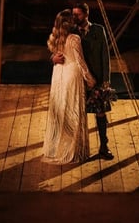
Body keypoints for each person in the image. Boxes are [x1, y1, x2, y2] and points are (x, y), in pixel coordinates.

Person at [54, 2, 115, 160]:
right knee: (75, 114)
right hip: (77, 80)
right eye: (73, 14)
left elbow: (105, 56)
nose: (74, 17)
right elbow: (57, 47)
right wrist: (53, 58)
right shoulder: (71, 32)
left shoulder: (98, 30)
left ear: (86, 14)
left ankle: (104, 146)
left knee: (100, 113)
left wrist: (106, 80)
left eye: (78, 14)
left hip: (97, 78)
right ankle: (75, 147)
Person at [41, 9, 97, 164]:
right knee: (72, 111)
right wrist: (90, 80)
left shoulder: (55, 38)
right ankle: (73, 150)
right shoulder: (74, 39)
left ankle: (57, 147)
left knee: (61, 110)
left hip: (59, 75)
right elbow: (80, 62)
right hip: (72, 75)